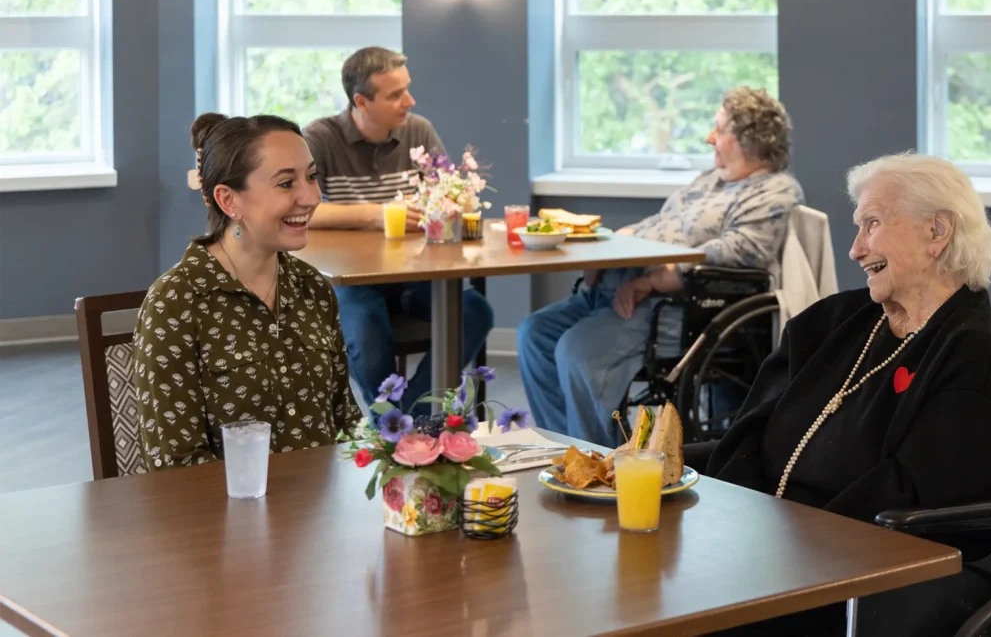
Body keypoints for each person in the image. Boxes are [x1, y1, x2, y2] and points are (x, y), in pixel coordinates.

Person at [697, 153, 991, 636]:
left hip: (861, 574)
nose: (854, 250)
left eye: (872, 224)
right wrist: (731, 525)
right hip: (763, 549)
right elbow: (750, 430)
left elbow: (918, 500)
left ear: (937, 232)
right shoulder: (832, 323)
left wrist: (781, 548)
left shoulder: (974, 349)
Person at [518, 86, 805, 447]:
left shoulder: (773, 191)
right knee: (535, 334)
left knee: (577, 351)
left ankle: (596, 461)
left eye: (719, 129)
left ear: (751, 138)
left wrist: (657, 279)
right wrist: (608, 245)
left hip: (674, 306)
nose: (709, 137)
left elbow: (743, 250)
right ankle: (565, 448)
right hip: (616, 285)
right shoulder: (711, 180)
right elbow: (661, 223)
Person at [132, 113, 362, 470]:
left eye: (312, 176)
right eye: (286, 183)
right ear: (229, 201)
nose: (311, 197)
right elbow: (175, 465)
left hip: (322, 501)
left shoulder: (313, 288)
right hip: (229, 506)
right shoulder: (176, 303)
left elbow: (346, 422)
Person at [303, 46, 494, 409]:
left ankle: (413, 416)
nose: (410, 100)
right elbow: (302, 211)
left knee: (475, 311)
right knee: (365, 325)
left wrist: (447, 203)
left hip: (414, 276)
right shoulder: (320, 138)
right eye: (395, 94)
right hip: (352, 280)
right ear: (361, 101)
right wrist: (377, 214)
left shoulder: (418, 130)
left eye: (407, 89)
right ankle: (389, 420)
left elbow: (451, 195)